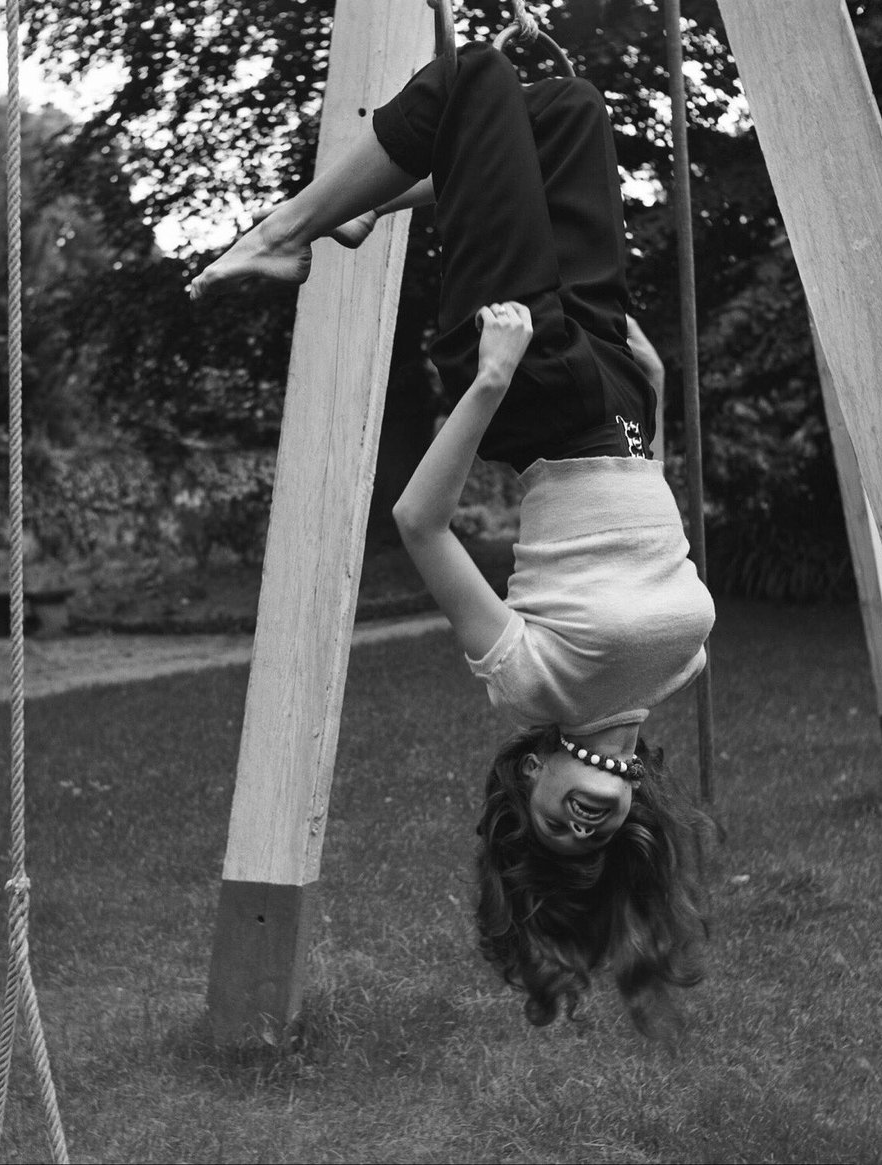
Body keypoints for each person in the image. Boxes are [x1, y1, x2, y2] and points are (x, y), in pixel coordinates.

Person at [191, 43, 715, 1039]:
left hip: (521, 382)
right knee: (567, 107)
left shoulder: (531, 683)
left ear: (528, 784)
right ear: (634, 813)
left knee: (471, 79)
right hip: (611, 393)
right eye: (596, 836)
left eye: (556, 827)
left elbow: (417, 522)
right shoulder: (679, 661)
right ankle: (368, 205)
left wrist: (486, 379)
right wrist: (656, 396)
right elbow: (658, 525)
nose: (581, 824)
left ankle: (287, 228)